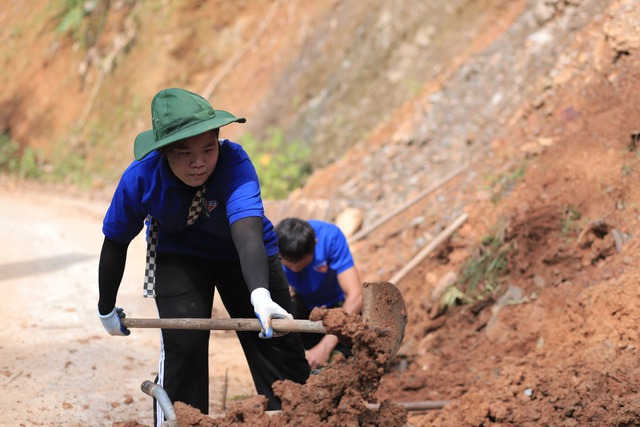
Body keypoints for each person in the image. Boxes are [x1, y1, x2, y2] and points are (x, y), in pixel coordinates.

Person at [96, 88, 310, 425]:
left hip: (245, 253)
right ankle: (182, 420)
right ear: (164, 152)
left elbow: (247, 230)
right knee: (186, 347)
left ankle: (300, 419)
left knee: (277, 341)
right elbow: (115, 241)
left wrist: (260, 294)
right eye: (184, 153)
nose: (199, 162)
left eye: (208, 149)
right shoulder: (141, 179)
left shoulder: (234, 163)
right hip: (180, 255)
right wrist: (105, 306)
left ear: (218, 141)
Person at [274, 217, 363, 370]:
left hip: (335, 308)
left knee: (349, 355)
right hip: (300, 306)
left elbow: (356, 295)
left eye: (302, 264)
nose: (295, 270)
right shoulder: (270, 245)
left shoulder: (330, 237)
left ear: (315, 244)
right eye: (290, 265)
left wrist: (326, 345)